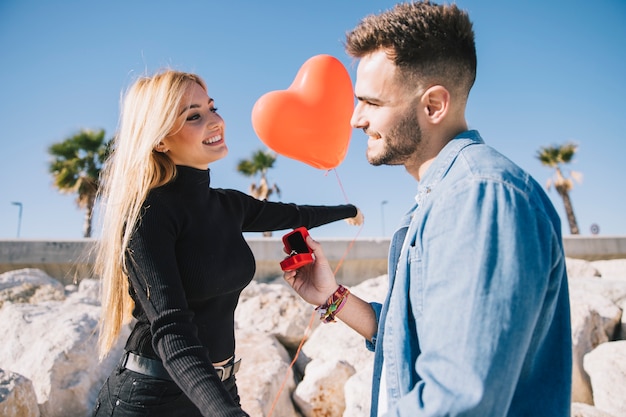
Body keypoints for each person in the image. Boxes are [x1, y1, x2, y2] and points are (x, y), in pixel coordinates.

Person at [283, 2, 572, 416]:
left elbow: (459, 399)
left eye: (371, 102)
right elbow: (422, 337)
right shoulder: (444, 198)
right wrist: (334, 297)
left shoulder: (480, 197)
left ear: (434, 105)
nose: (355, 119)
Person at [91, 69, 363, 417]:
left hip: (220, 390)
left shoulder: (229, 205)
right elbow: (172, 330)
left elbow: (295, 213)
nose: (215, 121)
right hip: (152, 400)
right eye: (194, 116)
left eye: (212, 108)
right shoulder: (148, 214)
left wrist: (348, 210)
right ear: (160, 140)